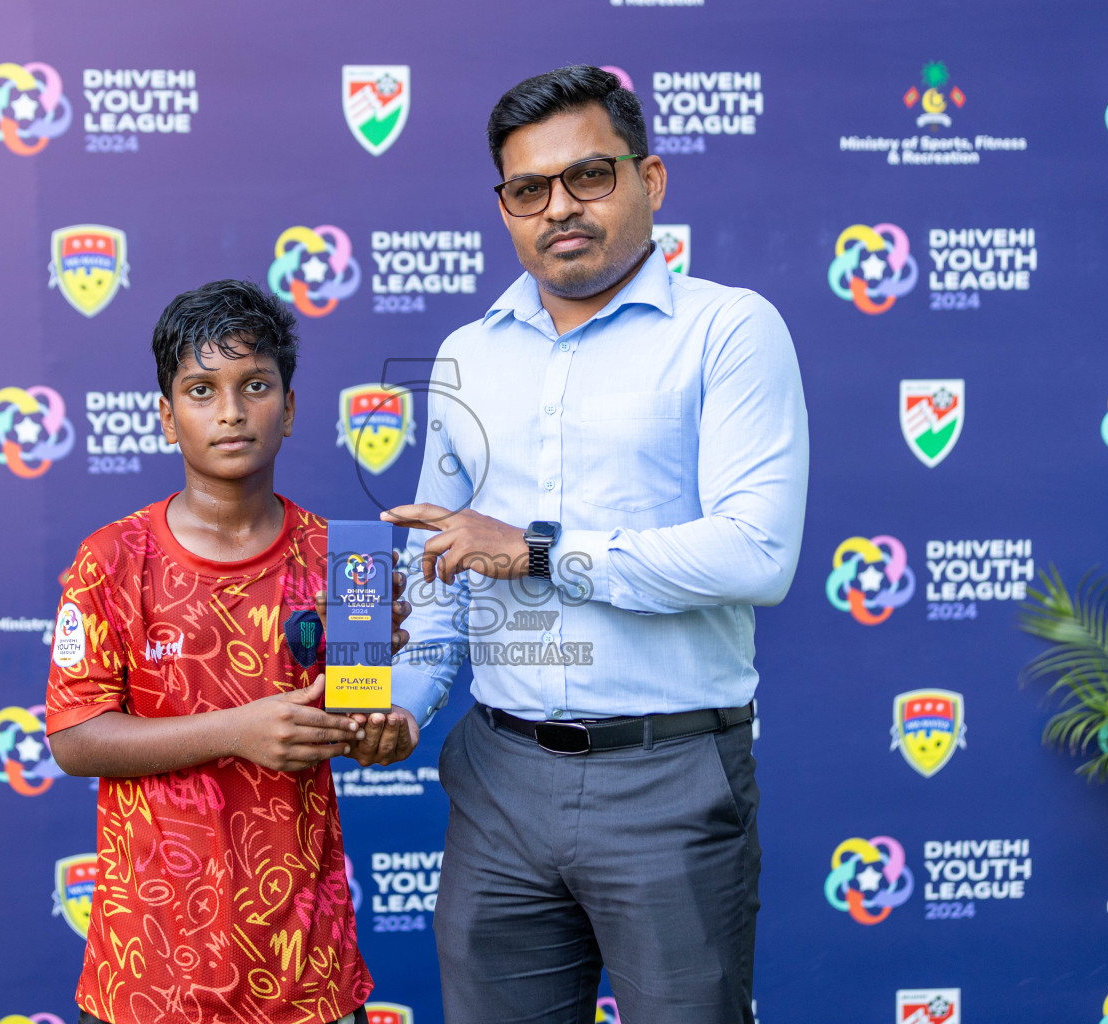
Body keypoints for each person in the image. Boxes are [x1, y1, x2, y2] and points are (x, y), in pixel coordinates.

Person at [379, 66, 809, 1024]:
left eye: (590, 177)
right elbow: (444, 567)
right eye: (529, 190)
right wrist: (401, 709)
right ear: (503, 207)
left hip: (669, 780)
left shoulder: (729, 332)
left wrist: (536, 550)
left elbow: (756, 555)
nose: (559, 209)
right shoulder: (467, 355)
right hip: (498, 780)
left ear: (649, 180)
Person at [45, 279, 415, 1024]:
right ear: (165, 416)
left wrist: (384, 733)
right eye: (201, 389)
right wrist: (237, 731)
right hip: (149, 969)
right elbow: (75, 738)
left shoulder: (349, 560)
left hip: (303, 968)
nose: (231, 411)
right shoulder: (113, 558)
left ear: (290, 408)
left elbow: (362, 721)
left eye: (254, 385)